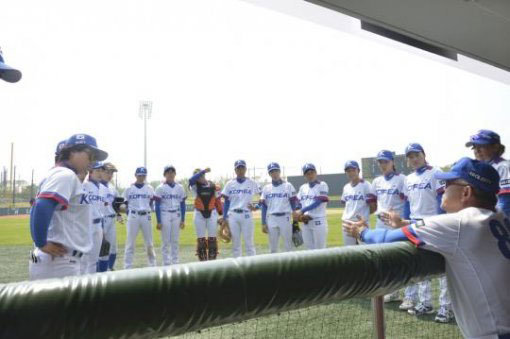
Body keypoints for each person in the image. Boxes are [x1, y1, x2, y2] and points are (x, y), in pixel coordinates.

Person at [343, 157, 510, 339]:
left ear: (466, 192)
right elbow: (437, 225)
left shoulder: (459, 223)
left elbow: (385, 238)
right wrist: (404, 223)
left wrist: (361, 231)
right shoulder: (500, 217)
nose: (443, 189)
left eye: (448, 183)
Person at [387, 143, 452, 322]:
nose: (414, 159)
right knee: (422, 266)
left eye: (417, 155)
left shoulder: (435, 172)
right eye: (410, 157)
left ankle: (446, 307)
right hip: (415, 225)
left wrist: (440, 222)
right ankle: (425, 302)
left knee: (442, 268)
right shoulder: (408, 179)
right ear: (407, 160)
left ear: (424, 155)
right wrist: (403, 224)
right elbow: (407, 203)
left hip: (433, 224)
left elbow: (441, 199)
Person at [28, 134, 108, 280]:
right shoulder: (65, 175)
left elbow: (36, 207)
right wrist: (41, 242)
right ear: (72, 152)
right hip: (59, 261)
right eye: (90, 155)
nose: (92, 161)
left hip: (59, 260)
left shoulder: (59, 174)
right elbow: (41, 206)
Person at [370, 150, 406, 303]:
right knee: (384, 258)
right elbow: (374, 202)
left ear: (393, 162)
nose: (383, 165)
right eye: (380, 162)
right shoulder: (376, 181)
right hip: (380, 223)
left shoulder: (402, 179)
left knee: (399, 257)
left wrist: (403, 220)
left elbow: (407, 201)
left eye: (386, 161)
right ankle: (392, 290)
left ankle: (408, 294)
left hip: (396, 223)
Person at [465, 129, 510, 217]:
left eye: (481, 146)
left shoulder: (503, 166)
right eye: (474, 146)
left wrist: (492, 220)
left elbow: (506, 201)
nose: (477, 150)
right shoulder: (480, 168)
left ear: (495, 147)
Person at [221, 160, 260, 257]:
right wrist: (224, 217)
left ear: (246, 169)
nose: (240, 170)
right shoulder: (230, 183)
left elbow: (264, 196)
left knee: (249, 243)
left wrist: (256, 206)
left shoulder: (252, 182)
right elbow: (226, 202)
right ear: (235, 170)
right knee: (236, 244)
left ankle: (253, 266)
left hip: (246, 214)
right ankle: (238, 268)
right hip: (233, 215)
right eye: (238, 168)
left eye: (242, 167)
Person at [260, 162, 299, 253]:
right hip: (271, 218)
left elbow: (293, 201)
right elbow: (264, 207)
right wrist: (263, 223)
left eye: (276, 171)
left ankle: (290, 266)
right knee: (273, 247)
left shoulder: (288, 186)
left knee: (288, 246)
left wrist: (295, 214)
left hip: (285, 217)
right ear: (269, 174)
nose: (274, 173)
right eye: (272, 172)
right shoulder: (266, 188)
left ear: (279, 171)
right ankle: (274, 266)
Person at [123, 167, 157, 269]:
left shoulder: (150, 188)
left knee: (149, 243)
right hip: (133, 216)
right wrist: (128, 213)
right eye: (139, 175)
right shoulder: (129, 189)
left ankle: (152, 265)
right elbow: (125, 203)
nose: (141, 177)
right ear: (135, 175)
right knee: (130, 243)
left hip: (146, 216)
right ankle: (127, 267)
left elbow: (151, 202)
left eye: (143, 175)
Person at [154, 165, 187, 265]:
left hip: (176, 214)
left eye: (172, 172)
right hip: (165, 214)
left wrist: (183, 219)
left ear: (175, 174)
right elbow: (157, 205)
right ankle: (166, 263)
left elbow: (182, 204)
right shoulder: (160, 188)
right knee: (165, 241)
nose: (171, 174)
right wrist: (159, 220)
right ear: (165, 174)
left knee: (175, 240)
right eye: (168, 172)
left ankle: (175, 261)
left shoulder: (180, 187)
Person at [189, 167, 223, 261]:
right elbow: (190, 180)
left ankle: (212, 262)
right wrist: (203, 171)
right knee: (201, 241)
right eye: (197, 176)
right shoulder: (195, 186)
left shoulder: (214, 186)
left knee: (212, 240)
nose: (198, 178)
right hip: (199, 214)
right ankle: (203, 264)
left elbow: (218, 201)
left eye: (200, 176)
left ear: (204, 176)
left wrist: (221, 214)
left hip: (212, 213)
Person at [340, 160, 376, 246]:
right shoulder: (346, 187)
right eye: (348, 171)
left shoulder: (366, 185)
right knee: (349, 252)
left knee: (365, 251)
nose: (351, 173)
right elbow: (346, 205)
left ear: (358, 171)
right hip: (347, 223)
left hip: (361, 223)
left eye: (353, 170)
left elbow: (373, 206)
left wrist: (364, 216)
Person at [293, 163, 329, 250]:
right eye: (307, 173)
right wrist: (298, 214)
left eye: (312, 172)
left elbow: (318, 201)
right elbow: (298, 202)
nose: (310, 175)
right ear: (304, 175)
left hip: (318, 221)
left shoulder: (322, 185)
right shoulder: (303, 187)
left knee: (320, 250)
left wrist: (302, 211)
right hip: (305, 222)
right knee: (309, 250)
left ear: (316, 173)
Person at [80, 162, 106, 274]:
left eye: (101, 170)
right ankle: (80, 285)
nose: (100, 173)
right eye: (97, 170)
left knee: (94, 259)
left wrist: (103, 228)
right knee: (83, 259)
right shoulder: (83, 186)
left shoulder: (104, 189)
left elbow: (102, 210)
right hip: (86, 224)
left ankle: (90, 286)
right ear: (90, 172)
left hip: (98, 225)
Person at [100, 162, 122, 271]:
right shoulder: (96, 186)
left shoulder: (112, 188)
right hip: (101, 221)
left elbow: (116, 204)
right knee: (102, 249)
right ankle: (101, 272)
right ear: (101, 171)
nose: (110, 175)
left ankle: (110, 268)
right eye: (107, 172)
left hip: (111, 219)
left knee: (113, 248)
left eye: (112, 173)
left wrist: (118, 214)